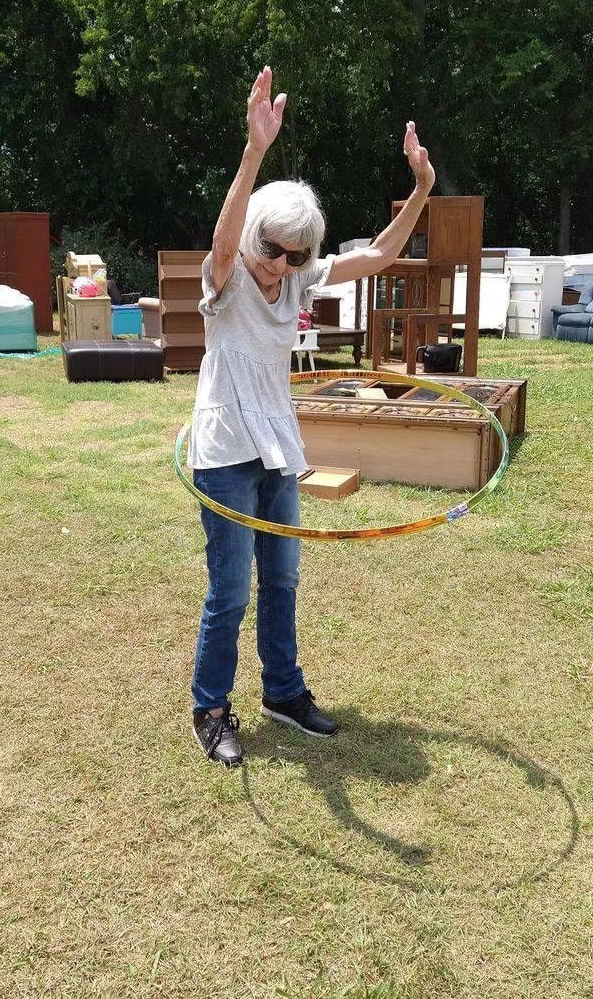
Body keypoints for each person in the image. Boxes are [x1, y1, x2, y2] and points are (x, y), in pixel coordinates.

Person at [190, 65, 437, 766]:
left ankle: (283, 691)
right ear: (254, 239)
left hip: (277, 449)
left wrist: (421, 187)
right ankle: (210, 707)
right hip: (224, 450)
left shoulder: (299, 274)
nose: (279, 264)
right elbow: (224, 240)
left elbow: (382, 254)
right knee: (230, 589)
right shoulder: (228, 278)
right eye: (271, 247)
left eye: (295, 253)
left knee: (285, 579)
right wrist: (253, 152)